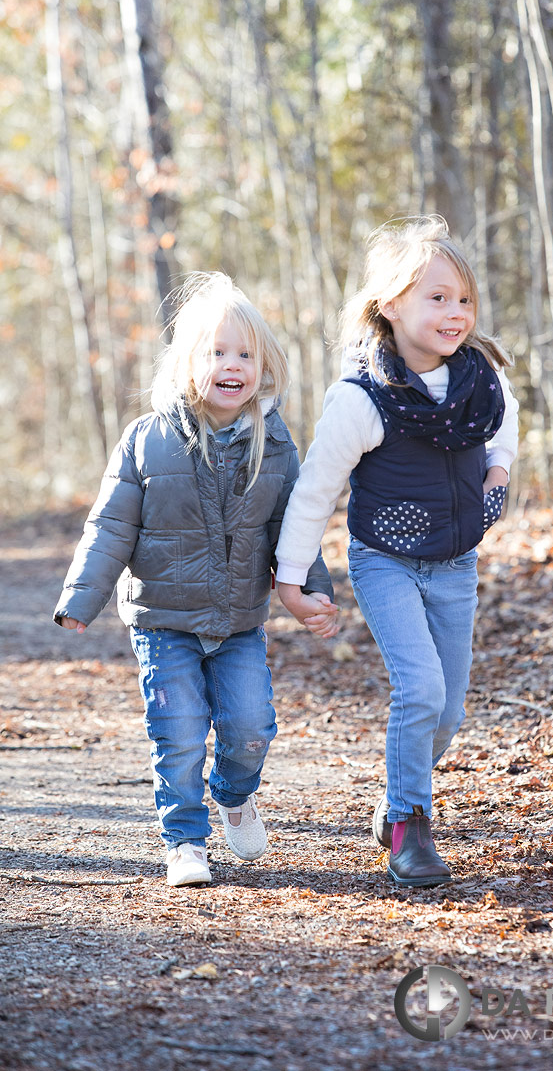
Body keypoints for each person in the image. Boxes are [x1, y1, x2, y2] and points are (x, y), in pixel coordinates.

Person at [54, 272, 338, 887]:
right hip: (164, 621)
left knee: (251, 727)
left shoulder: (275, 442)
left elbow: (296, 526)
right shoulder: (147, 440)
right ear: (187, 362)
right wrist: (82, 598)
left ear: (263, 367)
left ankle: (234, 795)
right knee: (178, 732)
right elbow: (109, 527)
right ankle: (184, 838)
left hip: (238, 622)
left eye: (245, 354)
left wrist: (312, 591)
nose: (231, 366)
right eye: (216, 353)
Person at [276, 216, 518, 887]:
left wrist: (496, 478)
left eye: (463, 298)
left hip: (455, 563)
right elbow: (314, 491)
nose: (454, 312)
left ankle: (393, 797)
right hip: (385, 561)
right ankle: (412, 826)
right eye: (435, 297)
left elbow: (506, 428)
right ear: (390, 305)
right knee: (419, 692)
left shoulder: (481, 379)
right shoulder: (360, 398)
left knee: (448, 711)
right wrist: (292, 580)